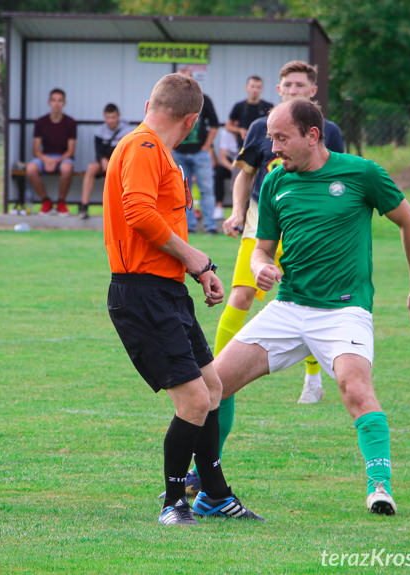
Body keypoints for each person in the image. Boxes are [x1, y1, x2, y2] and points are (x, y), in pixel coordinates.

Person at [215, 98, 410, 516]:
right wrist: (261, 267)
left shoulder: (362, 173)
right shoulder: (277, 181)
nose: (273, 149)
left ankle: (380, 486)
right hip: (289, 307)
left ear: (312, 135)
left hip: (343, 312)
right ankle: (206, 475)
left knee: (356, 388)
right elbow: (261, 249)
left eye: (281, 138)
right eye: (270, 139)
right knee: (214, 386)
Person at [180, 60, 347, 497]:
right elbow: (245, 173)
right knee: (240, 296)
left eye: (301, 85)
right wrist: (237, 211)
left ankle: (313, 369)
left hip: (307, 229)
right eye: (287, 84)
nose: (293, 89)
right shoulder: (261, 128)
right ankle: (222, 362)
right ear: (278, 87)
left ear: (314, 90)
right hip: (261, 225)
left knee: (306, 300)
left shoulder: (327, 131)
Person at [103, 72, 263, 526]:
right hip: (141, 294)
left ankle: (214, 495)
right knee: (194, 400)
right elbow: (137, 212)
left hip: (167, 290)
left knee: (213, 390)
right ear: (192, 120)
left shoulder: (158, 152)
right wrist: (197, 259)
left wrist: (198, 272)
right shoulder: (144, 147)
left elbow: (161, 226)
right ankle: (174, 502)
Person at [170, 67, 219, 235]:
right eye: (182, 78)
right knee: (183, 190)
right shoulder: (171, 102)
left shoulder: (204, 100)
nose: (186, 81)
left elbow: (214, 125)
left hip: (200, 153)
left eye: (189, 78)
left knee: (206, 189)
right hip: (179, 153)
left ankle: (210, 226)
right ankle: (188, 227)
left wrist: (207, 147)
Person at [25, 88, 77, 216]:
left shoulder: (70, 123)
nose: (56, 103)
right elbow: (36, 150)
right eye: (54, 100)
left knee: (67, 168)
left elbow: (70, 151)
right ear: (49, 102)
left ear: (64, 103)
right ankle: (46, 201)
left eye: (60, 100)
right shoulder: (41, 122)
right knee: (31, 168)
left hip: (63, 158)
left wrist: (56, 161)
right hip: (45, 157)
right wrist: (46, 160)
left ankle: (61, 202)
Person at [78, 103, 132, 220]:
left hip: (119, 163)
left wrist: (113, 162)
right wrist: (103, 160)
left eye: (113, 117)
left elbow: (128, 151)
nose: (111, 121)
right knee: (91, 168)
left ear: (118, 116)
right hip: (104, 164)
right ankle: (84, 206)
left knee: (128, 172)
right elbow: (98, 151)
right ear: (104, 117)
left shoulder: (127, 130)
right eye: (108, 118)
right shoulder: (100, 131)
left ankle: (123, 208)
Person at [224, 75, 273, 147]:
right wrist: (240, 130)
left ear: (262, 89)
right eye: (252, 86)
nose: (255, 90)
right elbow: (228, 126)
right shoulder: (239, 106)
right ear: (247, 87)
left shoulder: (269, 106)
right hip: (244, 146)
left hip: (264, 145)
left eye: (258, 87)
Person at [213, 127, 239, 225]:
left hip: (245, 164)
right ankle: (219, 205)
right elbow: (222, 158)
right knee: (219, 172)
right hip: (231, 164)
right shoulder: (226, 133)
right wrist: (235, 170)